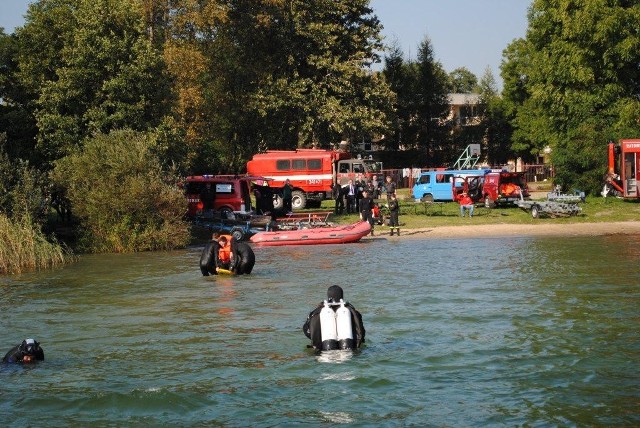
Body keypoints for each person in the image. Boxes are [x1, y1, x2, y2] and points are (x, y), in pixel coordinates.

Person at [302, 285, 365, 351]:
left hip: (324, 349)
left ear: (328, 296)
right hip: (349, 348)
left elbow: (307, 331)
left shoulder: (317, 312)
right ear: (342, 296)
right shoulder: (351, 311)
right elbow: (361, 332)